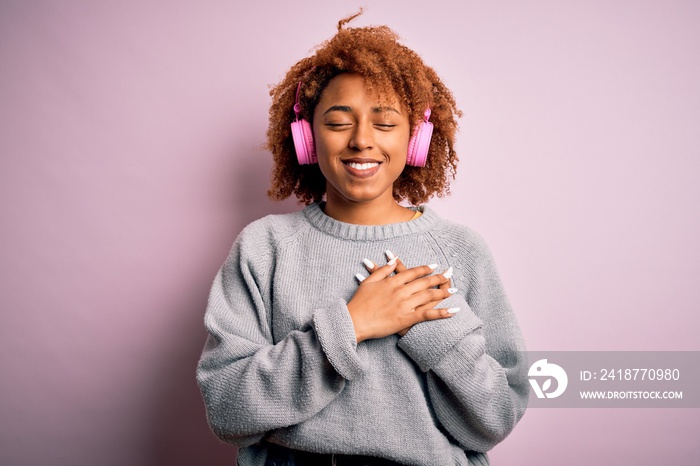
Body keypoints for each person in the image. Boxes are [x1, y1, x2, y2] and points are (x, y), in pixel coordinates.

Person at [197, 11, 528, 466]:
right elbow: (227, 408)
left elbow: (495, 418)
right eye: (338, 122)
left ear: (416, 140)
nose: (361, 140)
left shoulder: (463, 251)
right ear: (307, 138)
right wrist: (351, 325)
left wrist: (429, 326)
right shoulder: (264, 246)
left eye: (385, 122)